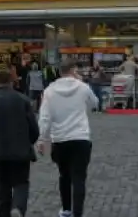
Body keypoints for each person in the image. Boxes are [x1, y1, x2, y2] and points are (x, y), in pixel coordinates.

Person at [37, 59, 98, 217]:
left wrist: (42, 139)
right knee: (79, 178)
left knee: (64, 176)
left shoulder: (49, 91)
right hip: (80, 137)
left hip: (60, 139)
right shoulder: (83, 87)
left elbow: (44, 118)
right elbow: (95, 103)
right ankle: (78, 213)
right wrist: (82, 83)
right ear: (73, 70)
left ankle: (66, 209)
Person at [0, 70, 39, 217]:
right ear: (12, 82)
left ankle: (4, 213)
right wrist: (29, 141)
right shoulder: (23, 100)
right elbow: (34, 129)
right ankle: (18, 207)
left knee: (3, 184)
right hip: (20, 151)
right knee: (21, 182)